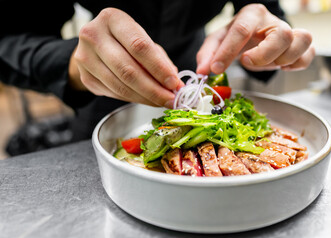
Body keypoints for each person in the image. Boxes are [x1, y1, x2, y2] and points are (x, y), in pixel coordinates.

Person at [0, 0, 314, 142]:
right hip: (101, 87)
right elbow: (11, 40)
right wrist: (72, 65)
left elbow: (267, 11)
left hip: (199, 75)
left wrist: (272, 40)